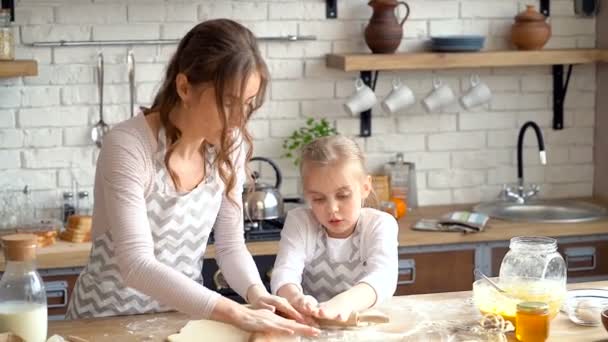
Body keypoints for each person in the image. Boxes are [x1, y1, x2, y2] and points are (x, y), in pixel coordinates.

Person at [66, 19, 318, 337]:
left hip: (180, 324)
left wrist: (257, 294)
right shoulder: (128, 146)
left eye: (248, 104)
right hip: (104, 324)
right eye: (228, 102)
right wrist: (234, 311)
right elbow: (136, 265)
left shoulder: (230, 145)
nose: (239, 119)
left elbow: (229, 245)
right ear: (184, 87)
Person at [271, 135, 399, 322]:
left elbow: (383, 278)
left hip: (367, 326)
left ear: (365, 187)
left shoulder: (380, 224)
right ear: (307, 195)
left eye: (343, 195)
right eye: (318, 199)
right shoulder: (300, 222)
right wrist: (295, 299)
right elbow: (284, 272)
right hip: (313, 323)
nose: (332, 209)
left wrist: (342, 304)